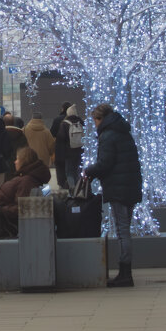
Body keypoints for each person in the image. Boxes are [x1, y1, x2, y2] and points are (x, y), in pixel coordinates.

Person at [84, 104, 143, 288]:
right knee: (125, 228)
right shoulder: (123, 130)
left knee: (122, 230)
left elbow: (105, 163)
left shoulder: (107, 135)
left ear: (100, 119)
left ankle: (125, 274)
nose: (93, 124)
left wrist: (89, 171)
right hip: (130, 186)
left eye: (94, 119)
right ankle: (125, 272)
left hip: (119, 189)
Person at [0, 147, 52, 234]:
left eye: (17, 159)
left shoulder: (26, 181)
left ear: (24, 161)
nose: (15, 162)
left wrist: (0, 209)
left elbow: (21, 208)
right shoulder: (28, 178)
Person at [58, 105, 84, 188]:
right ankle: (78, 188)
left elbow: (61, 139)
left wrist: (61, 155)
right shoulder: (81, 122)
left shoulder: (64, 124)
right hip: (80, 151)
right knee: (78, 171)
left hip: (68, 153)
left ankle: (72, 190)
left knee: (69, 172)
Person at [50, 102, 72, 189]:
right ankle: (72, 188)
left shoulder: (57, 120)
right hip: (73, 150)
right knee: (71, 170)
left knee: (60, 169)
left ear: (62, 109)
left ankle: (62, 186)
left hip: (60, 149)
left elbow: (52, 134)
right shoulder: (77, 120)